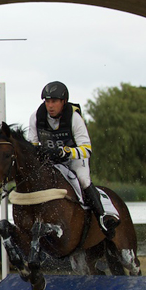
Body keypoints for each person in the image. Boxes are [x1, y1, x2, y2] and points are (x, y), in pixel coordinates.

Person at [26, 81, 118, 238]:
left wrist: (65, 152)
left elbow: (87, 150)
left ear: (63, 102)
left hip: (74, 159)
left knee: (83, 180)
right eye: (47, 101)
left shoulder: (74, 118)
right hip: (50, 162)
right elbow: (32, 146)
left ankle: (102, 217)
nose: (50, 106)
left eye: (54, 101)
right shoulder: (36, 117)